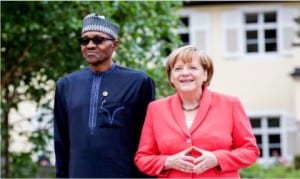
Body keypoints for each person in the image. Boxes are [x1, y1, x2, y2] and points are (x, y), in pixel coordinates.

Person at [54, 13, 155, 178]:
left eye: (98, 40)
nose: (90, 45)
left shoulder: (139, 82)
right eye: (84, 41)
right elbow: (61, 141)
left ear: (115, 44)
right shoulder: (66, 85)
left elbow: (148, 140)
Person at [134, 45, 260, 178]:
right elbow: (142, 158)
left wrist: (217, 159)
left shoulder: (230, 104)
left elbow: (250, 151)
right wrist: (167, 162)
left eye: (192, 68)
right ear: (171, 77)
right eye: (178, 69)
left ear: (205, 74)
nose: (185, 73)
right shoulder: (156, 109)